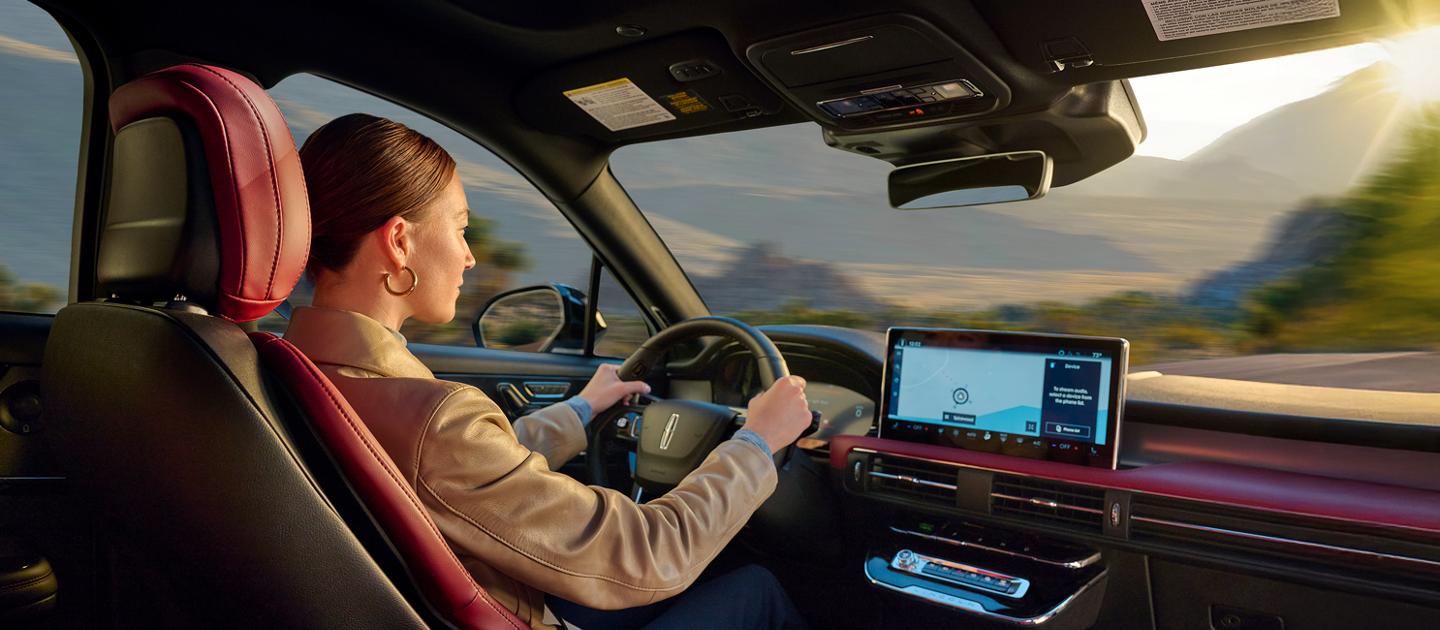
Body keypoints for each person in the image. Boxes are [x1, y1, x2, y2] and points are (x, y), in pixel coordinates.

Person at [283, 113, 813, 630]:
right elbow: (648, 553)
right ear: (400, 242)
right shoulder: (434, 421)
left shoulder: (289, 369)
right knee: (757, 590)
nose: (469, 258)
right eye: (461, 229)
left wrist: (583, 408)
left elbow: (470, 473)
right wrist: (757, 442)